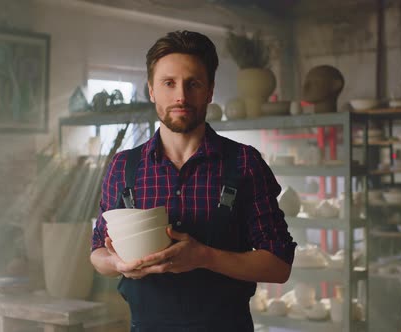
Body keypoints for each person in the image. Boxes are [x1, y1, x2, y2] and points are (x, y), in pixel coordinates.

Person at [90, 30, 296, 332]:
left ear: (210, 90)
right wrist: (118, 265)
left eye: (193, 83)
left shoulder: (244, 163)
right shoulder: (124, 166)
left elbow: (279, 265)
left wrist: (204, 257)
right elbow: (98, 252)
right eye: (169, 83)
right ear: (151, 90)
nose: (181, 96)